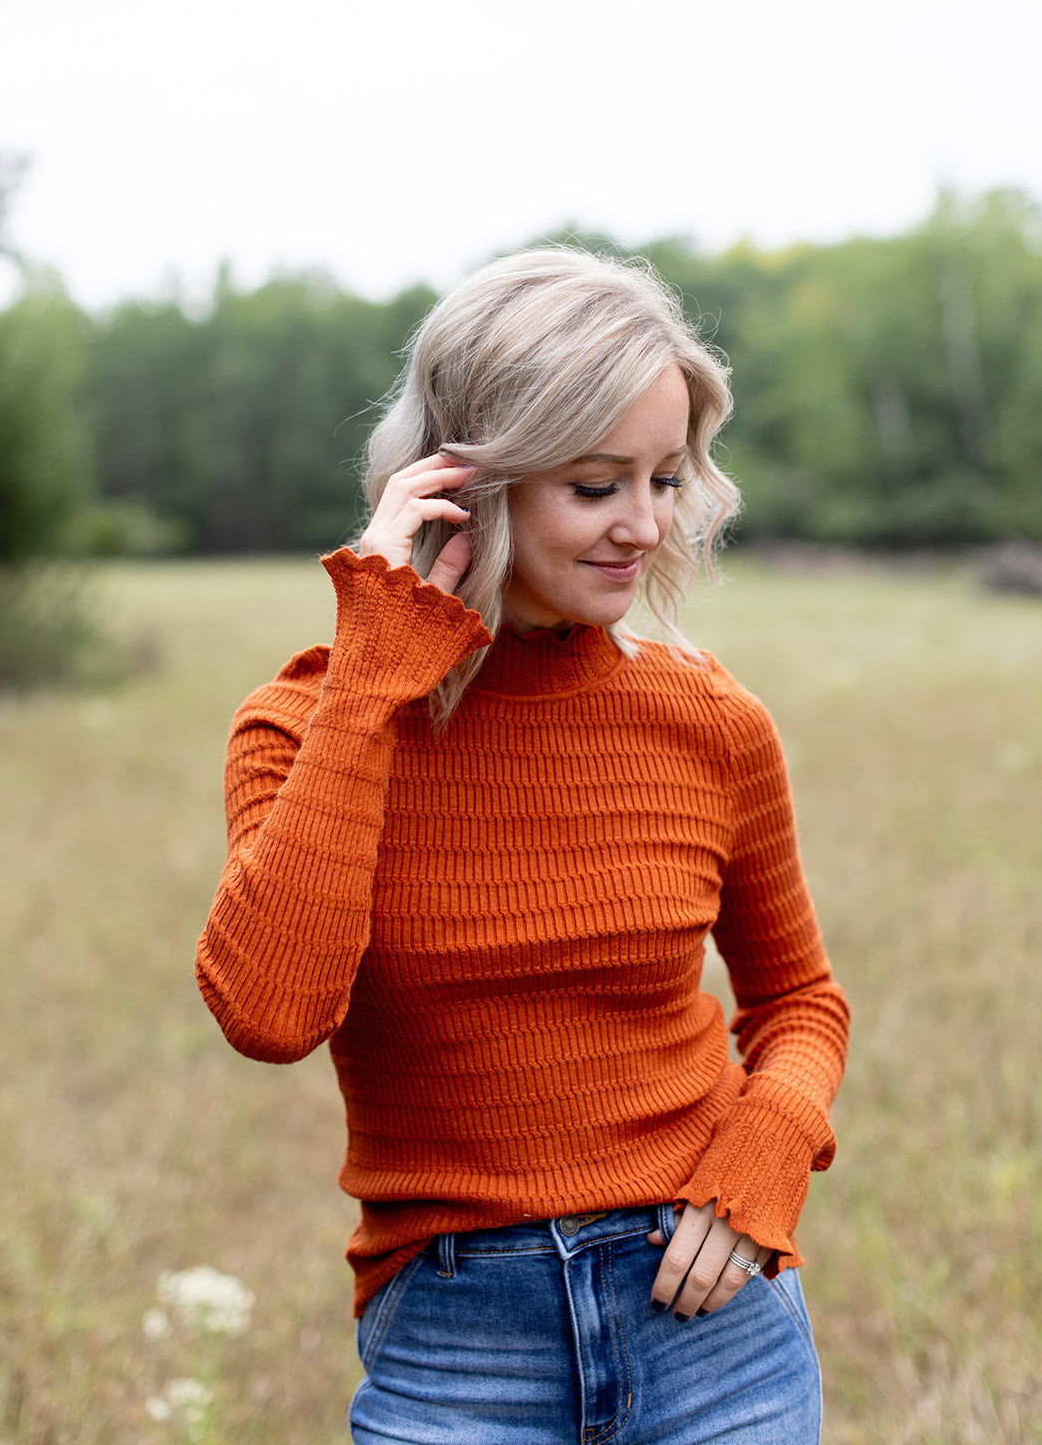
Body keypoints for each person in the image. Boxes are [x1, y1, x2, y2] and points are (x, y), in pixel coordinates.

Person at [196, 247, 850, 1444]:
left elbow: (800, 1000)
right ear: (463, 483)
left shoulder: (710, 721)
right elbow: (268, 1014)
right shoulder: (305, 724)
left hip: (712, 1323)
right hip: (456, 1345)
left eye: (663, 477)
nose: (643, 526)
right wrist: (370, 680)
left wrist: (768, 1148)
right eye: (595, 485)